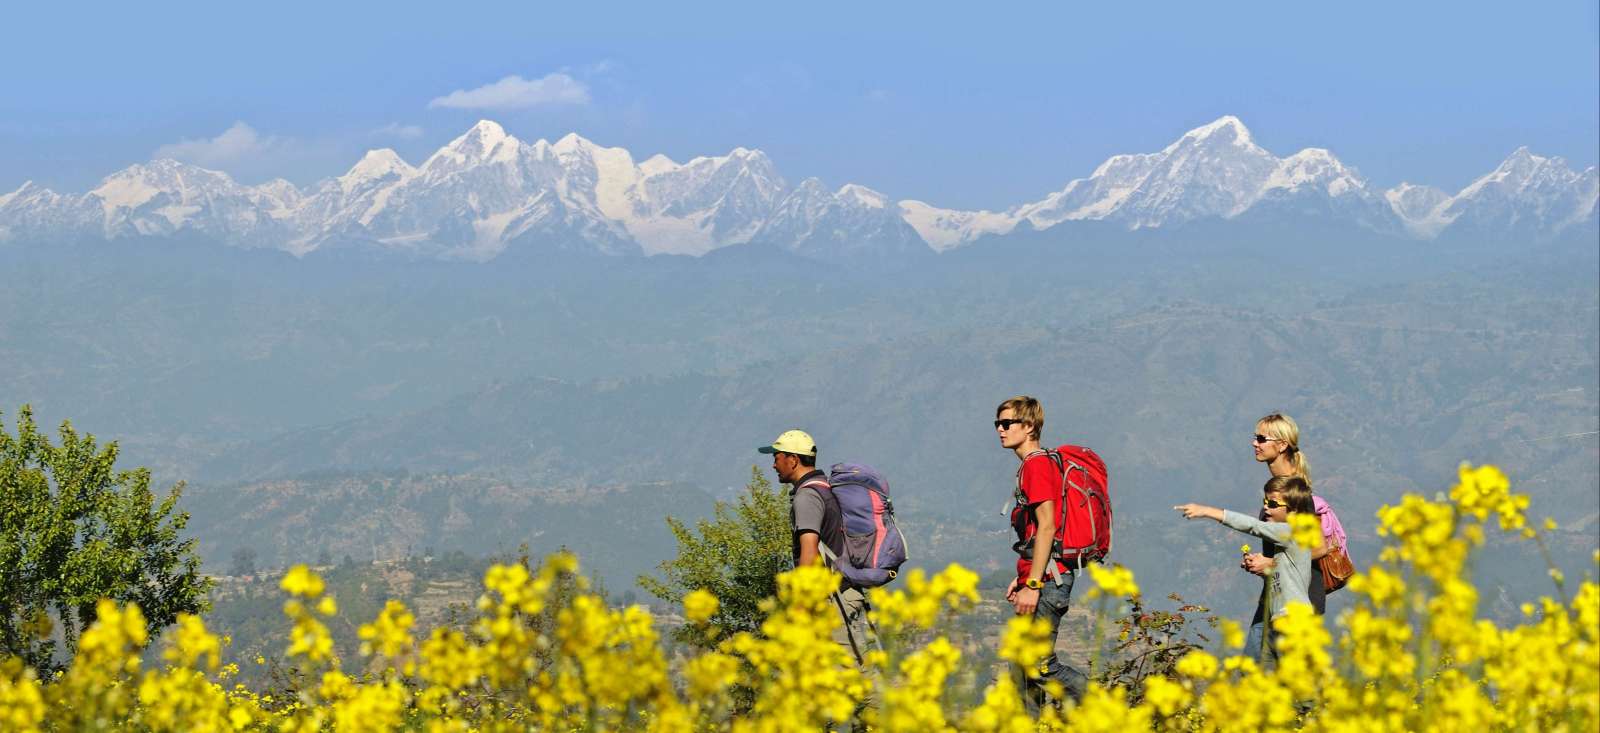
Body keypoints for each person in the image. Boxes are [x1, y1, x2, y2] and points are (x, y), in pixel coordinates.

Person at [758, 429, 877, 718]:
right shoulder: (824, 488)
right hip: (843, 595)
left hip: (830, 602)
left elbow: (809, 551)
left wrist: (799, 606)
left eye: (777, 457)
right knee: (860, 675)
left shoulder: (807, 496)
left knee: (852, 679)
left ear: (793, 460)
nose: (773, 464)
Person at [995, 396, 1088, 708]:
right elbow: (1035, 534)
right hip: (1040, 576)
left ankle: (1103, 704)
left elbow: (1047, 526)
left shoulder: (1036, 465)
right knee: (1020, 670)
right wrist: (1023, 578)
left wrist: (1033, 584)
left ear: (1029, 426)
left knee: (1039, 665)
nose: (1000, 429)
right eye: (998, 423)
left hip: (1049, 581)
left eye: (1007, 423)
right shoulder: (1034, 464)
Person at [1175, 475, 1320, 669]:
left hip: (1294, 620)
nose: (1266, 507)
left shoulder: (1291, 532)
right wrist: (1265, 567)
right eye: (1265, 502)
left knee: (1298, 687)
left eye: (1273, 503)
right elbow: (1287, 575)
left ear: (1292, 510)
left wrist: (1206, 511)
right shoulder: (1285, 541)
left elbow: (1255, 526)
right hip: (1278, 620)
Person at [1243, 413, 1349, 644]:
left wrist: (1270, 563)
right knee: (1254, 674)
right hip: (1275, 597)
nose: (1254, 443)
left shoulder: (1296, 494)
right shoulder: (1279, 490)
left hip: (1299, 603)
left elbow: (1320, 548)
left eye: (1261, 438)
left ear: (1281, 445)